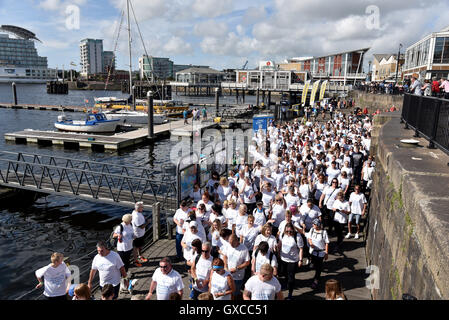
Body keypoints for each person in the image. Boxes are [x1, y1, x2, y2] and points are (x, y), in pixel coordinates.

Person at [277, 223, 303, 300]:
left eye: (290, 231)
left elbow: (301, 249)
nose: (289, 233)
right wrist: (278, 253)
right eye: (287, 231)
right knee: (284, 274)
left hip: (293, 260)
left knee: (291, 278)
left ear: (293, 230)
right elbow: (280, 244)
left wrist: (300, 260)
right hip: (283, 259)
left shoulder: (297, 237)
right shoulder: (283, 235)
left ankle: (290, 293)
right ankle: (287, 284)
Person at [222, 234, 250, 299]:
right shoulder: (228, 246)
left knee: (235, 293)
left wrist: (237, 268)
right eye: (229, 242)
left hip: (238, 277)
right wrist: (225, 266)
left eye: (232, 243)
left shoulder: (244, 249)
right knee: (227, 292)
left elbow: (247, 262)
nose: (231, 245)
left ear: (237, 241)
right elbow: (225, 256)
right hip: (228, 275)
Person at [306, 219, 329, 289]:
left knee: (319, 268)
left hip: (321, 252)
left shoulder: (324, 232)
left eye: (314, 224)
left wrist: (326, 253)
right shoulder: (312, 230)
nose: (313, 225)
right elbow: (309, 238)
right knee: (314, 263)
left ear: (318, 225)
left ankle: (316, 280)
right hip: (313, 251)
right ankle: (312, 262)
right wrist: (311, 243)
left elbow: (327, 243)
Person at [131, 201, 148, 267]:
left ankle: (140, 256)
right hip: (137, 235)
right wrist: (147, 222)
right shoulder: (137, 216)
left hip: (140, 234)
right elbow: (141, 226)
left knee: (139, 246)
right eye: (142, 207)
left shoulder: (135, 212)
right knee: (135, 247)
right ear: (138, 208)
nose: (143, 208)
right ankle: (135, 261)